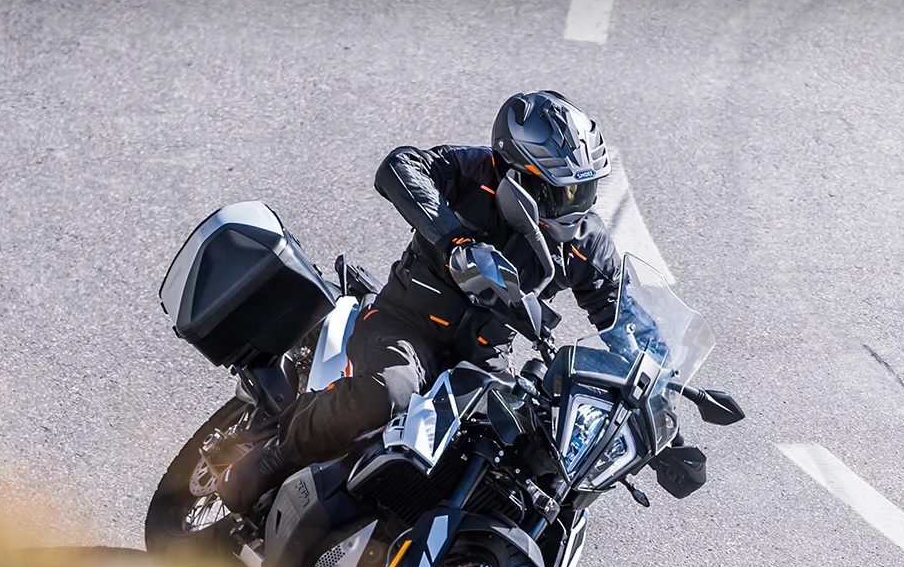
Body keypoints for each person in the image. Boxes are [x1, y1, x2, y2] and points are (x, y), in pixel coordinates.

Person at [218, 90, 702, 514]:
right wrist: (455, 240)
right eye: (564, 192)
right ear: (521, 176)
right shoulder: (475, 172)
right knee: (390, 392)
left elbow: (625, 322)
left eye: (586, 189)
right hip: (405, 325)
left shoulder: (584, 243)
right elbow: (399, 166)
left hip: (482, 360)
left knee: (532, 458)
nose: (577, 205)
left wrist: (661, 418)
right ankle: (273, 457)